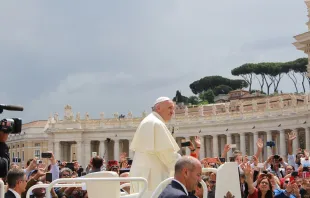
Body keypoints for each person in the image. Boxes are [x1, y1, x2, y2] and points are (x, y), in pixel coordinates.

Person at [129, 97, 180, 197]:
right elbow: (167, 154)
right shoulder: (156, 123)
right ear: (158, 108)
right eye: (170, 108)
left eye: (173, 109)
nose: (172, 112)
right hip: (152, 177)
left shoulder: (149, 121)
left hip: (142, 175)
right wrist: (184, 165)